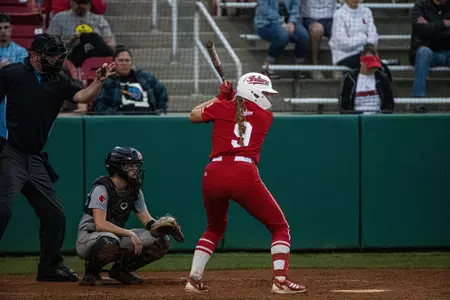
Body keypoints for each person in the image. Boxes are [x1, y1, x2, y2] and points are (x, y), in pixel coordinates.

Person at [0, 33, 115, 282]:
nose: (56, 59)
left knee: (55, 215)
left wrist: (99, 81)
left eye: (58, 55)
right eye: (51, 55)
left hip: (35, 157)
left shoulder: (59, 80)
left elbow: (82, 97)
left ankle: (49, 267)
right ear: (35, 56)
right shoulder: (12, 74)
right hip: (11, 151)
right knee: (3, 209)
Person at [184, 73, 306, 294]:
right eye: (266, 92)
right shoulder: (265, 116)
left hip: (213, 173)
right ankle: (280, 280)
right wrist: (227, 99)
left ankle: (193, 279)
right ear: (255, 92)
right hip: (242, 172)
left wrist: (220, 97)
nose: (268, 97)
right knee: (279, 227)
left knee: (214, 228)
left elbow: (192, 115)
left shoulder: (221, 107)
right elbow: (240, 112)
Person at [76, 146, 184, 285]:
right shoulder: (101, 188)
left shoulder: (134, 191)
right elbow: (100, 224)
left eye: (135, 165)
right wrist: (129, 233)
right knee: (109, 241)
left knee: (161, 240)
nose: (135, 169)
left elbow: (147, 220)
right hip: (89, 238)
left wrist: (161, 226)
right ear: (117, 168)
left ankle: (121, 271)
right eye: (129, 165)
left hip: (116, 235)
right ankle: (91, 272)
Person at [95, 46, 169, 114]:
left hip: (148, 119)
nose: (124, 63)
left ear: (131, 62)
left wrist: (160, 112)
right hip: (121, 122)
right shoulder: (107, 82)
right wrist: (115, 117)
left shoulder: (146, 77)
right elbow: (100, 107)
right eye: (121, 60)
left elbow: (162, 92)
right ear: (114, 63)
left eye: (127, 60)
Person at [254, 0, 309, 79]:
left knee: (303, 36)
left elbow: (296, 6)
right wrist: (281, 22)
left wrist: (292, 22)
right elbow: (264, 9)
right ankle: (268, 65)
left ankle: (297, 66)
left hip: (289, 21)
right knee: (282, 36)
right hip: (266, 22)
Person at [338, 43, 395, 114]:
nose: (372, 69)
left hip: (378, 119)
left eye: (374, 66)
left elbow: (389, 105)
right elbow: (344, 107)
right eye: (370, 66)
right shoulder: (349, 78)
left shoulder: (383, 78)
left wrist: (381, 117)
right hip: (356, 120)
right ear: (361, 62)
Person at [410, 0, 450, 97]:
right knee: (424, 52)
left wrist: (430, 26)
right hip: (427, 52)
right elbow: (420, 29)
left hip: (447, 51)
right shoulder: (420, 6)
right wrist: (443, 24)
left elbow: (426, 29)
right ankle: (418, 100)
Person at [329, 0, 378, 71]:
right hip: (345, 55)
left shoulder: (366, 11)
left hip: (366, 53)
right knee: (371, 66)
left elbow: (374, 36)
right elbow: (344, 43)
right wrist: (363, 37)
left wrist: (368, 49)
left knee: (383, 69)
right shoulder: (339, 14)